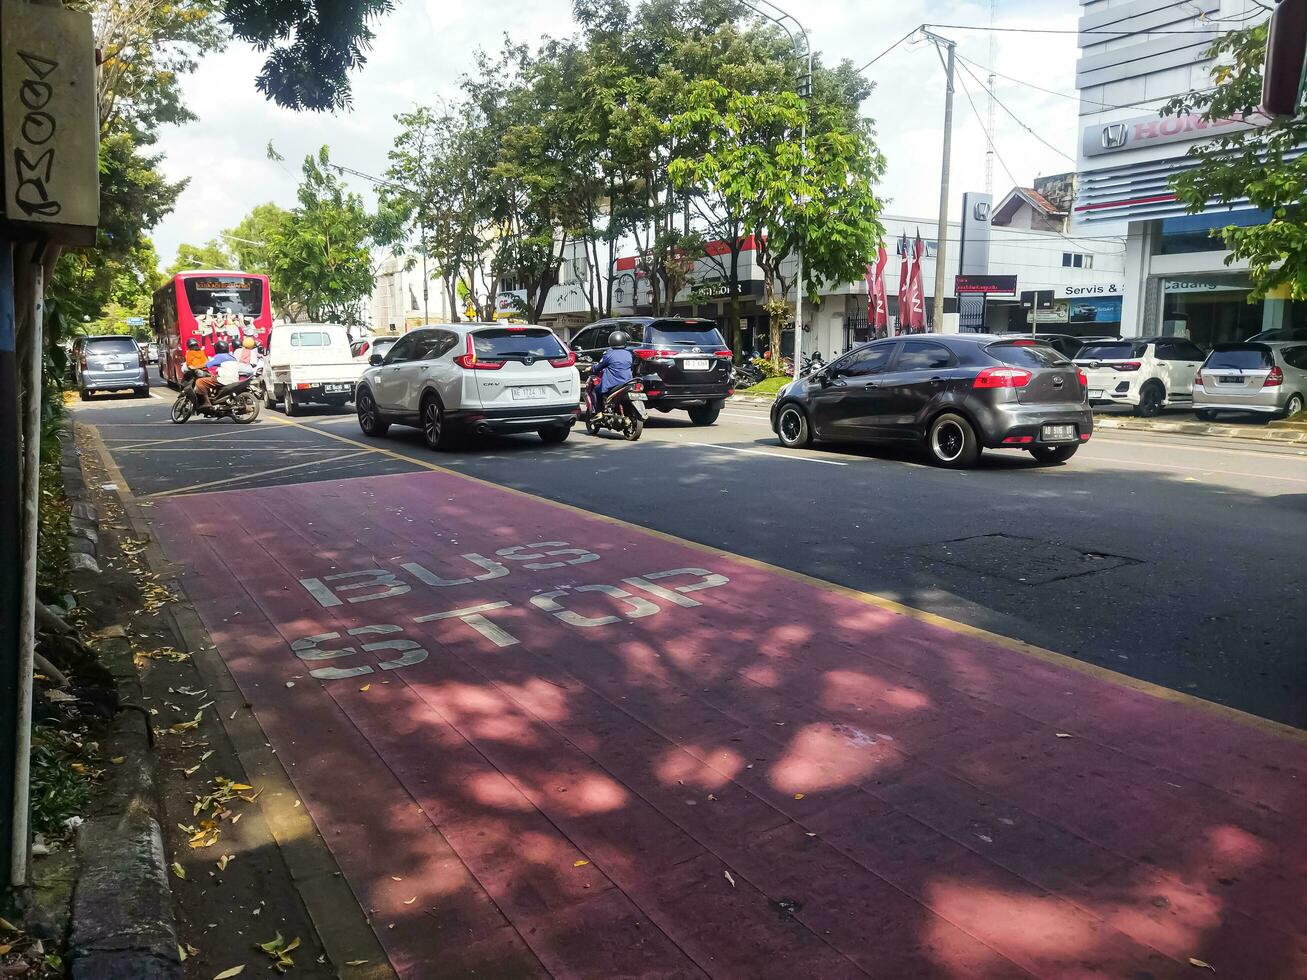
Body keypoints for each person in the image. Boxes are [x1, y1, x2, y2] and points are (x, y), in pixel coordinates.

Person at [589, 329, 634, 414]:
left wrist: (591, 368)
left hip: (613, 384)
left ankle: (597, 412)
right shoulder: (629, 354)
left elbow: (598, 367)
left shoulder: (608, 354)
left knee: (595, 390)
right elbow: (631, 368)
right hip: (627, 383)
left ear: (611, 341)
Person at [195, 340, 235, 405]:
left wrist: (194, 367)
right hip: (234, 379)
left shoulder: (219, 356)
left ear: (217, 349)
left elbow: (207, 365)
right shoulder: (232, 357)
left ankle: (207, 402)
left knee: (199, 381)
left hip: (224, 380)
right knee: (213, 377)